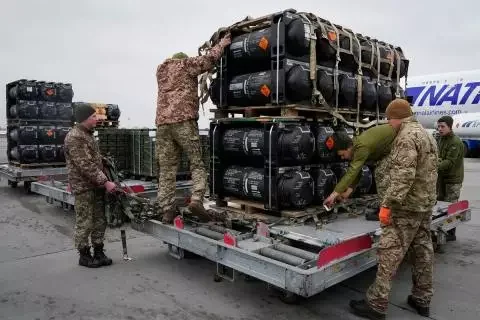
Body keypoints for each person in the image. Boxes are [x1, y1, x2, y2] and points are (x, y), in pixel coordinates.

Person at [349, 98, 438, 319]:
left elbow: (403, 177)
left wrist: (387, 205)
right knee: (423, 252)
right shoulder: (428, 135)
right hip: (424, 204)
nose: (389, 125)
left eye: (389, 120)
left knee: (390, 253)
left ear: (395, 118)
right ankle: (422, 298)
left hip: (405, 207)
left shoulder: (406, 137)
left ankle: (376, 304)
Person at [155, 32, 232, 223]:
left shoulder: (161, 71)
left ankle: (167, 210)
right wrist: (222, 44)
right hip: (184, 121)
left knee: (166, 169)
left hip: (163, 124)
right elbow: (209, 59)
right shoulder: (185, 65)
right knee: (196, 162)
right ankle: (197, 199)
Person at [64, 103, 117, 268]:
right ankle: (84, 255)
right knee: (85, 222)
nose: (96, 119)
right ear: (84, 119)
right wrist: (106, 182)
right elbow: (85, 165)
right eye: (93, 116)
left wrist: (105, 162)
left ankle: (99, 252)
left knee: (99, 221)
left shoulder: (87, 135)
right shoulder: (75, 137)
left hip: (96, 186)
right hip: (84, 186)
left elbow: (94, 158)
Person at [323, 123, 397, 213]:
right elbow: (357, 172)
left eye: (342, 154)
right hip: (391, 149)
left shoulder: (361, 147)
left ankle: (389, 211)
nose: (342, 158)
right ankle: (386, 209)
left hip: (400, 144)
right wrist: (347, 192)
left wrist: (333, 194)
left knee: (382, 175)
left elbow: (352, 172)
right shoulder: (355, 147)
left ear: (348, 148)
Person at [436, 115, 464, 242]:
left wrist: (433, 165)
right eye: (439, 126)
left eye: (443, 126)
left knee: (451, 207)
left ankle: (451, 233)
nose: (440, 129)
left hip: (452, 180)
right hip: (442, 178)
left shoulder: (455, 142)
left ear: (450, 127)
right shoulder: (441, 139)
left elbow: (449, 162)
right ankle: (443, 231)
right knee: (441, 206)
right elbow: (439, 157)